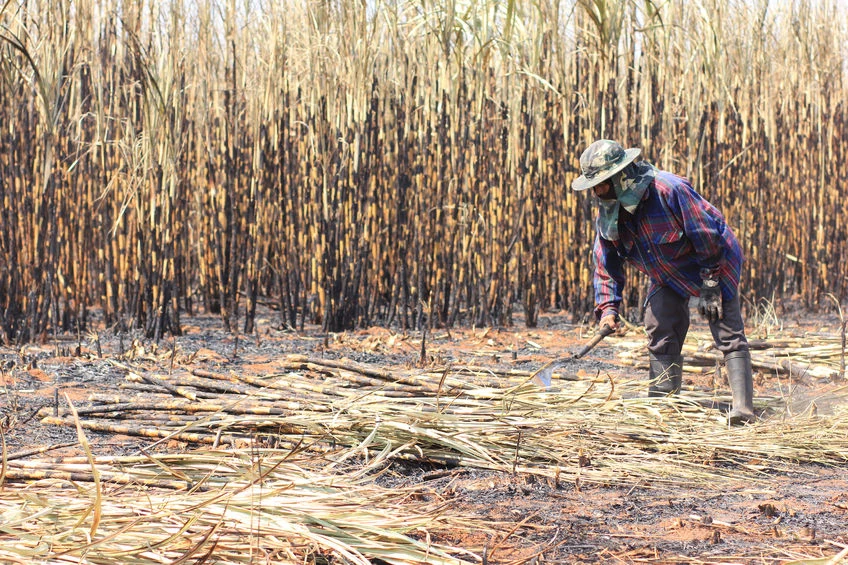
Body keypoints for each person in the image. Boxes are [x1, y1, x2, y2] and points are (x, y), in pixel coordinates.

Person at [571, 139, 756, 425]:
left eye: (601, 184)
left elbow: (707, 235)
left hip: (712, 261)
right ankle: (663, 404)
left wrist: (709, 284)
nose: (596, 191)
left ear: (621, 177)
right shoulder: (608, 212)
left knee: (726, 330)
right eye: (594, 186)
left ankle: (743, 410)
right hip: (666, 272)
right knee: (660, 326)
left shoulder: (669, 190)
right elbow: (606, 265)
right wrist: (608, 309)